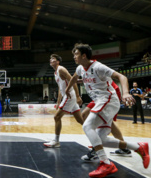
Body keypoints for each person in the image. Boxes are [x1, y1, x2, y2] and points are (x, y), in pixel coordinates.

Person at [65, 43, 149, 178]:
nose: (74, 56)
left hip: (108, 100)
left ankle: (106, 163)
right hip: (100, 101)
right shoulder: (80, 68)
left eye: (76, 54)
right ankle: (139, 147)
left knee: (87, 126)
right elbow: (74, 78)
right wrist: (68, 90)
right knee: (101, 140)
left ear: (84, 55)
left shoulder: (98, 67)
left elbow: (122, 77)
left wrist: (126, 93)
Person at [81, 81, 132, 161]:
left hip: (109, 95)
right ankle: (123, 148)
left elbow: (121, 77)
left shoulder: (96, 69)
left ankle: (96, 149)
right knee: (109, 122)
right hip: (101, 96)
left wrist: (125, 93)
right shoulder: (85, 72)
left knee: (87, 115)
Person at [44, 54, 83, 148]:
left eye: (53, 59)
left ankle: (56, 141)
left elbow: (72, 80)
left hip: (70, 96)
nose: (51, 60)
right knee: (80, 120)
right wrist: (58, 102)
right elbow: (60, 88)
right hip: (67, 96)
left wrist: (78, 96)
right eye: (50, 59)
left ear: (58, 61)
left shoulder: (61, 69)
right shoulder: (55, 73)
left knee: (56, 117)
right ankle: (97, 137)